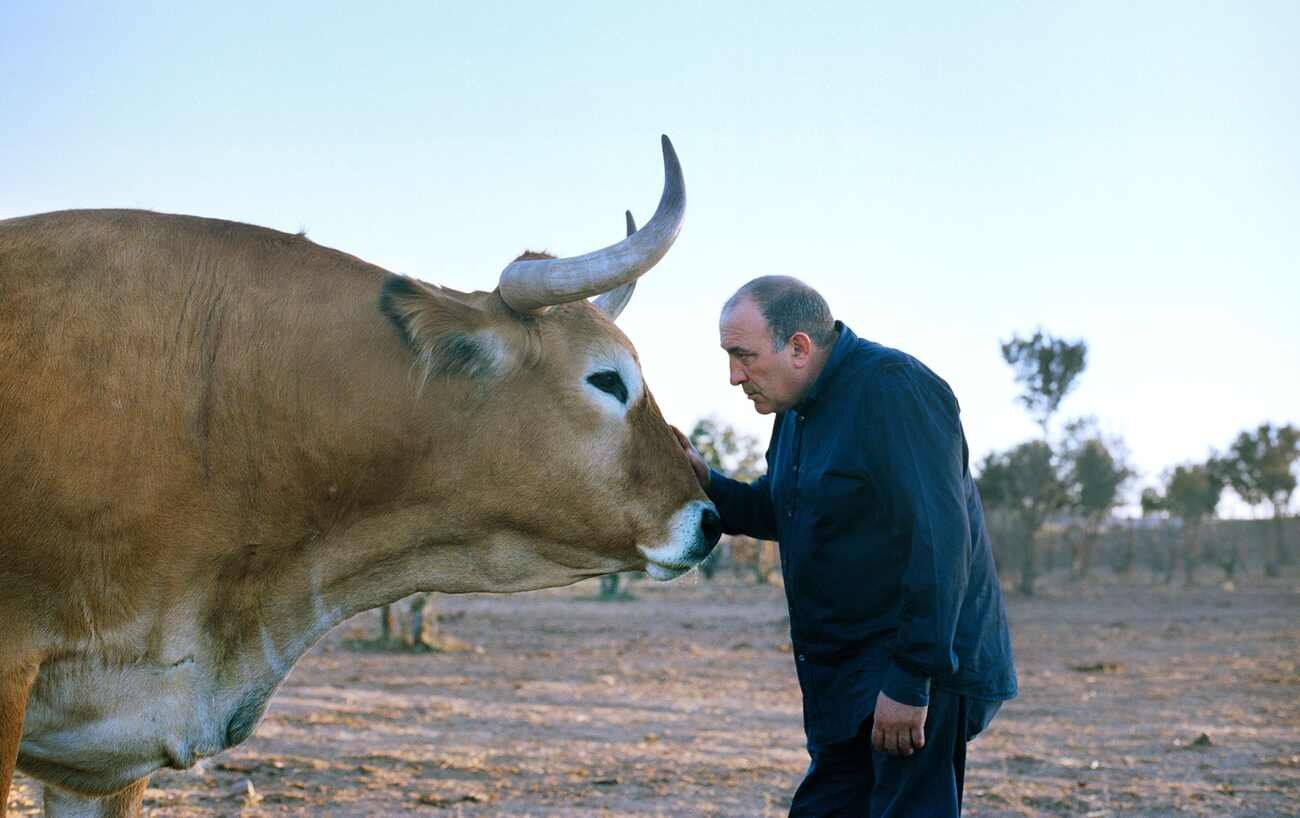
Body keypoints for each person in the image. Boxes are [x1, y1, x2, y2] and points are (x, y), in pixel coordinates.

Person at [675, 276, 1017, 817]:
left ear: (799, 348)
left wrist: (910, 682)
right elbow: (782, 509)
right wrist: (707, 481)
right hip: (847, 678)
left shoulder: (895, 390)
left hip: (919, 668)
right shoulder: (795, 410)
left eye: (743, 356)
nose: (734, 376)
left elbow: (942, 542)